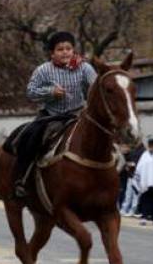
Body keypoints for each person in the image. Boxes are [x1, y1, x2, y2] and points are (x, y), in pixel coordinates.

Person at [11, 31, 97, 196]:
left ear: (73, 50)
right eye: (60, 49)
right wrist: (51, 92)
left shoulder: (85, 68)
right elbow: (30, 92)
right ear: (52, 53)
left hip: (78, 114)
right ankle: (21, 179)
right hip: (51, 116)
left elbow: (95, 88)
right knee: (30, 136)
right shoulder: (43, 70)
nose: (65, 52)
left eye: (68, 48)